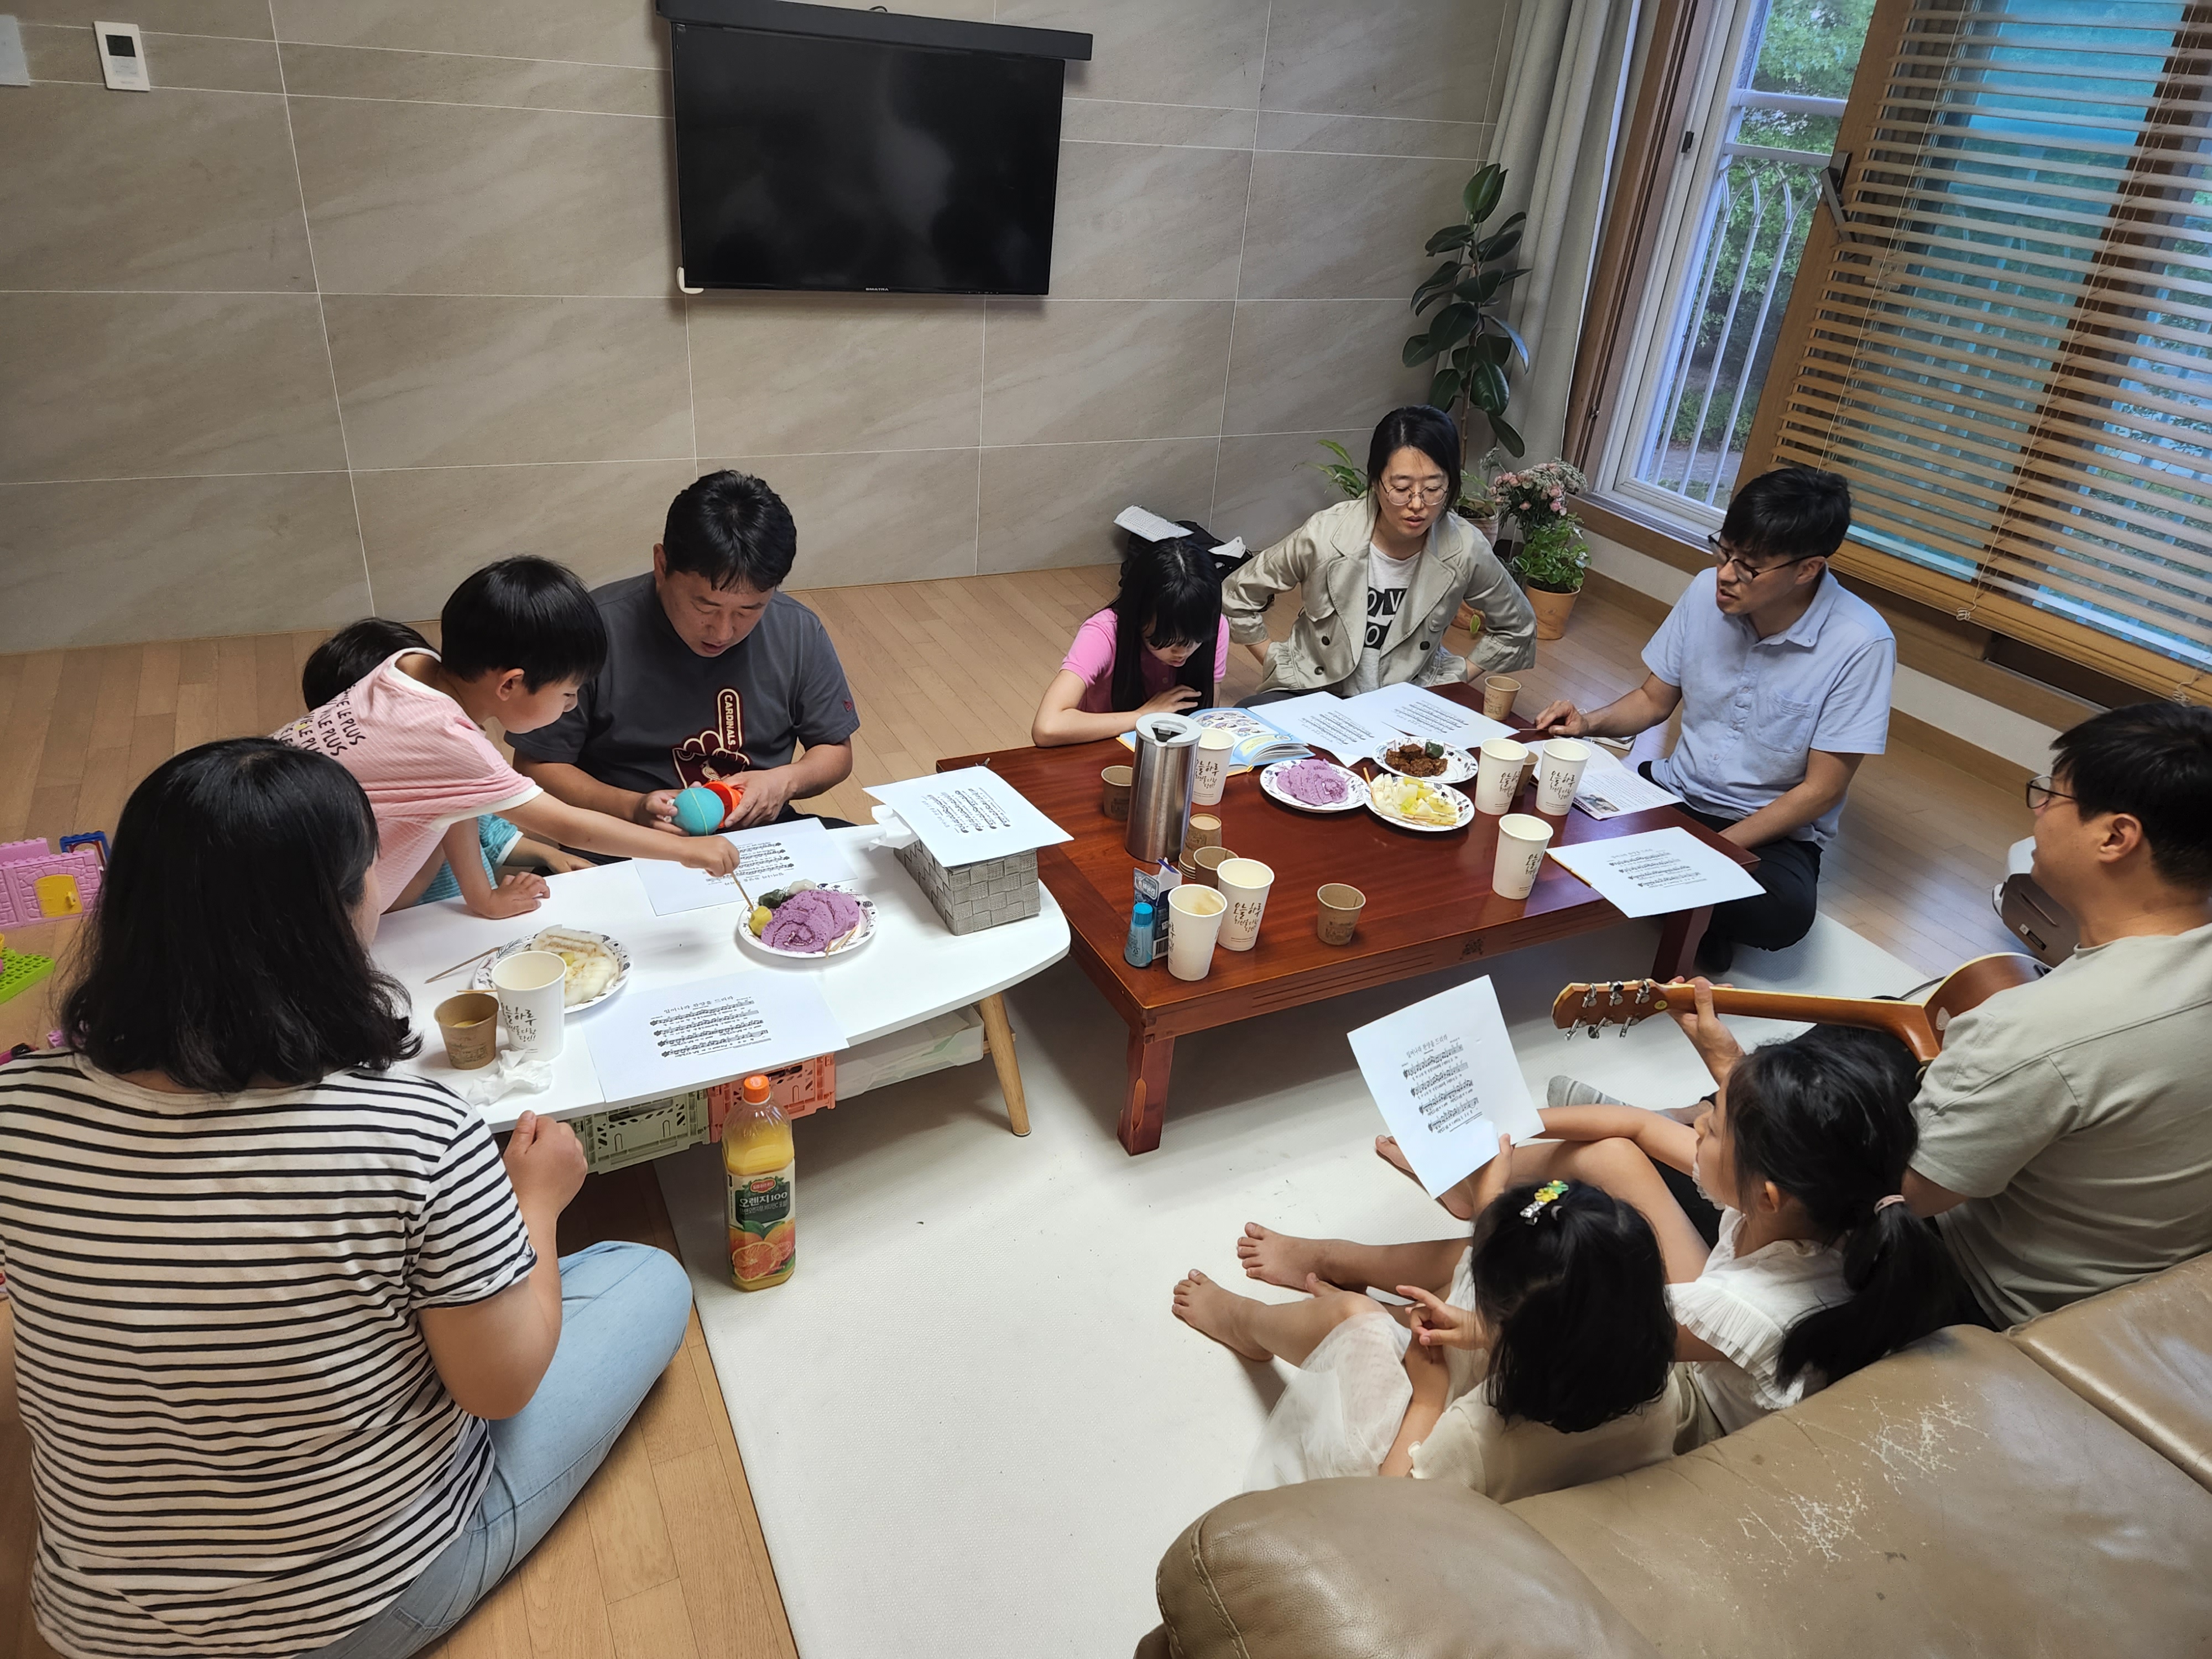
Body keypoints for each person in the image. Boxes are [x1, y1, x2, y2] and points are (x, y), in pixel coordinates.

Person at [0, 739, 692, 1659]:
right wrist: (537, 1199)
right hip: (353, 1614)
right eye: (370, 870)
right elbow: (500, 1387)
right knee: (644, 1276)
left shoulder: (16, 1106)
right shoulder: (416, 1130)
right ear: (330, 915)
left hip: (97, 1624)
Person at [1263, 1021, 1958, 1450]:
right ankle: (1438, 1208)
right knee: (1610, 1159)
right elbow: (1633, 1127)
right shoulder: (1822, 1204)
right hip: (1691, 1325)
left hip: (1679, 1406)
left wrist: (1489, 1236)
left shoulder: (1742, 1313)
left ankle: (1369, 1293)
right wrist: (1498, 1131)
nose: (1696, 1124)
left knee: (1524, 1265)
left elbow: (1565, 1332)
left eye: (1712, 1126)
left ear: (1766, 1194)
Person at [1532, 466, 1895, 972]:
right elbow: (1653, 700)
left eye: (1750, 567)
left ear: (1808, 569)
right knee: (1547, 811)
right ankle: (1694, 912)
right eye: (1724, 552)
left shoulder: (1861, 642)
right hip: (1672, 794)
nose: (1726, 574)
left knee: (1783, 913)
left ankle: (1675, 903)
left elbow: (1821, 792)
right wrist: (1587, 723)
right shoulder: (1706, 590)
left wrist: (1712, 850)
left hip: (1767, 830)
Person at [1174, 1147, 1677, 1498]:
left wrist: (1428, 1398)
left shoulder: (1475, 1435)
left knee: (1356, 1320)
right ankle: (1343, 1267)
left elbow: (1390, 1509)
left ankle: (1247, 1322)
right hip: (1517, 1392)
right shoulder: (1657, 1388)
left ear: (1520, 1339)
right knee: (1496, 1264)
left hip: (1412, 1456)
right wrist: (1482, 1328)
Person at [275, 556, 739, 909]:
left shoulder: (412, 666)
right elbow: (570, 826)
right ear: (510, 684)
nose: (572, 705)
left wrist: (482, 898)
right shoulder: (449, 741)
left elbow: (454, 799)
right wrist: (686, 852)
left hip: (268, 835)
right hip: (294, 902)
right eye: (567, 693)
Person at [511, 470, 860, 833]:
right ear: (662, 566)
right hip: (626, 835)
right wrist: (633, 808)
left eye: (749, 611)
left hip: (758, 832)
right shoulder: (589, 630)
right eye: (705, 607)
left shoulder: (797, 629)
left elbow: (835, 749)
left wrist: (784, 781)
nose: (723, 632)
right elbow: (536, 764)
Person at [1222, 405, 1536, 705]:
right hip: (1315, 693)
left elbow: (1518, 626)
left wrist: (1454, 677)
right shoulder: (1327, 535)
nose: (1417, 504)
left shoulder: (1465, 548)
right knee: (1244, 723)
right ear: (1375, 481)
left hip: (1407, 701)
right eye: (1401, 488)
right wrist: (1280, 664)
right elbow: (1236, 594)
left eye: (1433, 489)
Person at [301, 618, 588, 918]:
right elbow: (385, 905)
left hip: (480, 922)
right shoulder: (360, 818)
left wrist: (549, 854)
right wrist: (440, 821)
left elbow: (492, 835)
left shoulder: (455, 769)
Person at [1031, 537, 1228, 745]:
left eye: (1196, 640)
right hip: (1100, 747)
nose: (1183, 652)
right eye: (1166, 640)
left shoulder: (1214, 625)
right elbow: (1048, 727)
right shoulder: (1105, 632)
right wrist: (1142, 716)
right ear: (1138, 616)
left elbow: (1206, 715)